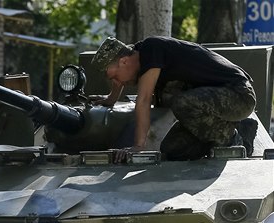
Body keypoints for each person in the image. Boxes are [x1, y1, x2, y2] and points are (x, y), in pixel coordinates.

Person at [91, 36, 257, 162]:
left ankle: (236, 136)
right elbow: (121, 77)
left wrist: (138, 147)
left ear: (124, 61)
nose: (117, 83)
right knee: (172, 149)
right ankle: (222, 137)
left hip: (238, 94)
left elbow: (143, 100)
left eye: (113, 77)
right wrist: (111, 98)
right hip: (212, 106)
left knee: (183, 103)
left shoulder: (151, 49)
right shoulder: (137, 54)